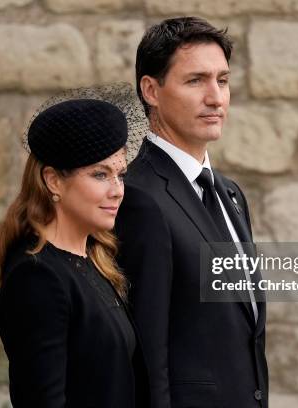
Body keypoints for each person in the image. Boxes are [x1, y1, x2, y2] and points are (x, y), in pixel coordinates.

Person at [115, 17, 268, 408]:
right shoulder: (137, 197)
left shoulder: (230, 194)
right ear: (151, 89)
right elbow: (147, 351)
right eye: (195, 80)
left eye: (223, 80)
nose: (216, 97)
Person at [0, 98, 149, 408]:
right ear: (53, 180)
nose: (117, 189)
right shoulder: (38, 277)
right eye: (100, 174)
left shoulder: (92, 261)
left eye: (120, 174)